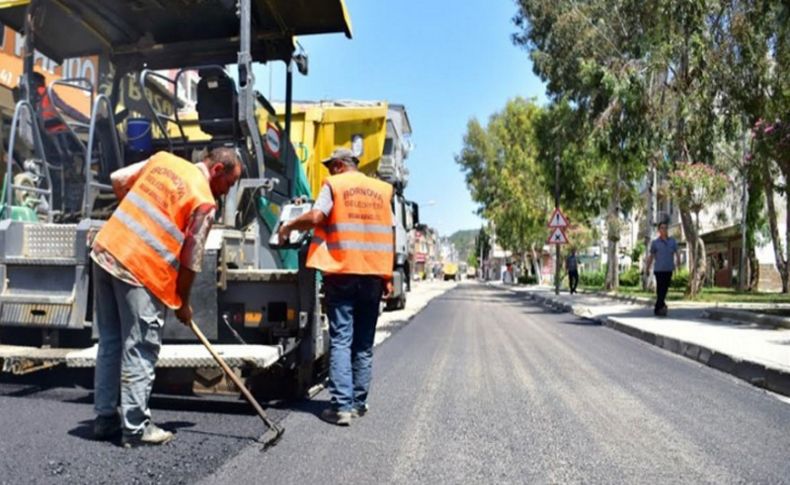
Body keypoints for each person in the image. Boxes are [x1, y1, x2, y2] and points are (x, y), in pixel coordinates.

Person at [90, 147, 242, 447]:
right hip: (139, 267)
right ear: (217, 171)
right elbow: (190, 260)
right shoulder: (204, 201)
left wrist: (140, 216)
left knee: (110, 341)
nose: (228, 191)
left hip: (107, 249)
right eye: (229, 183)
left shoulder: (162, 160)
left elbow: (118, 180)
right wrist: (182, 303)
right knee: (141, 345)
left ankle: (105, 418)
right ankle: (135, 427)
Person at [277, 147, 394, 426]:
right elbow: (388, 234)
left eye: (331, 166)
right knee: (363, 343)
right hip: (373, 274)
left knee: (341, 339)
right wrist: (387, 276)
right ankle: (358, 403)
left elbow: (317, 217)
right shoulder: (382, 190)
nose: (329, 171)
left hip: (342, 272)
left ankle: (341, 406)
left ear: (341, 165)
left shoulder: (335, 185)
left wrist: (288, 226)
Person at [644, 221, 681, 316]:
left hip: (669, 269)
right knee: (660, 289)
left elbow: (677, 253)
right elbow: (651, 256)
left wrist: (678, 263)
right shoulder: (655, 243)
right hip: (659, 269)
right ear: (659, 230)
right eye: (662, 228)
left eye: (665, 228)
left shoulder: (672, 241)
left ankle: (659, 306)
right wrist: (647, 268)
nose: (664, 230)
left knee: (665, 289)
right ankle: (660, 307)